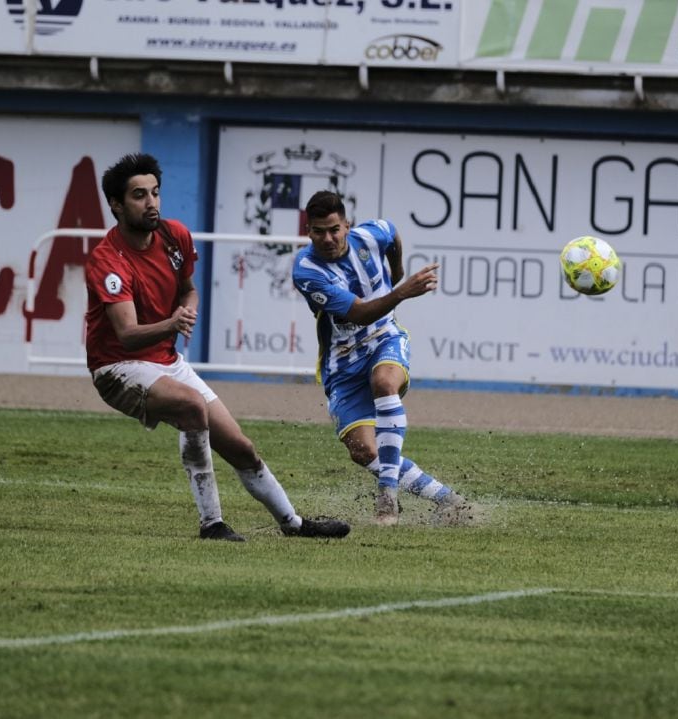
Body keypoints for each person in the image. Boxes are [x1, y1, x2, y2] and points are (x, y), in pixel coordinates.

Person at [85, 153, 350, 542]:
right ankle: (212, 524)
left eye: (155, 193)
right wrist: (173, 323)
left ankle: (293, 524)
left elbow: (189, 290)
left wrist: (186, 311)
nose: (152, 202)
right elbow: (126, 334)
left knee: (241, 446)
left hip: (165, 360)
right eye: (139, 195)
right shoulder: (107, 261)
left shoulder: (175, 236)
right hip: (117, 367)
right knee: (192, 406)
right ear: (116, 204)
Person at [292, 190, 469, 526]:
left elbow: (392, 232)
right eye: (318, 231)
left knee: (384, 382)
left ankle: (387, 500)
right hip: (341, 365)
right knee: (363, 452)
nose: (327, 238)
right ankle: (450, 501)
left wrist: (397, 269)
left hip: (384, 338)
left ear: (347, 225)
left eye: (334, 229)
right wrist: (401, 290)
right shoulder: (306, 270)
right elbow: (359, 313)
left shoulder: (369, 236)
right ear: (308, 232)